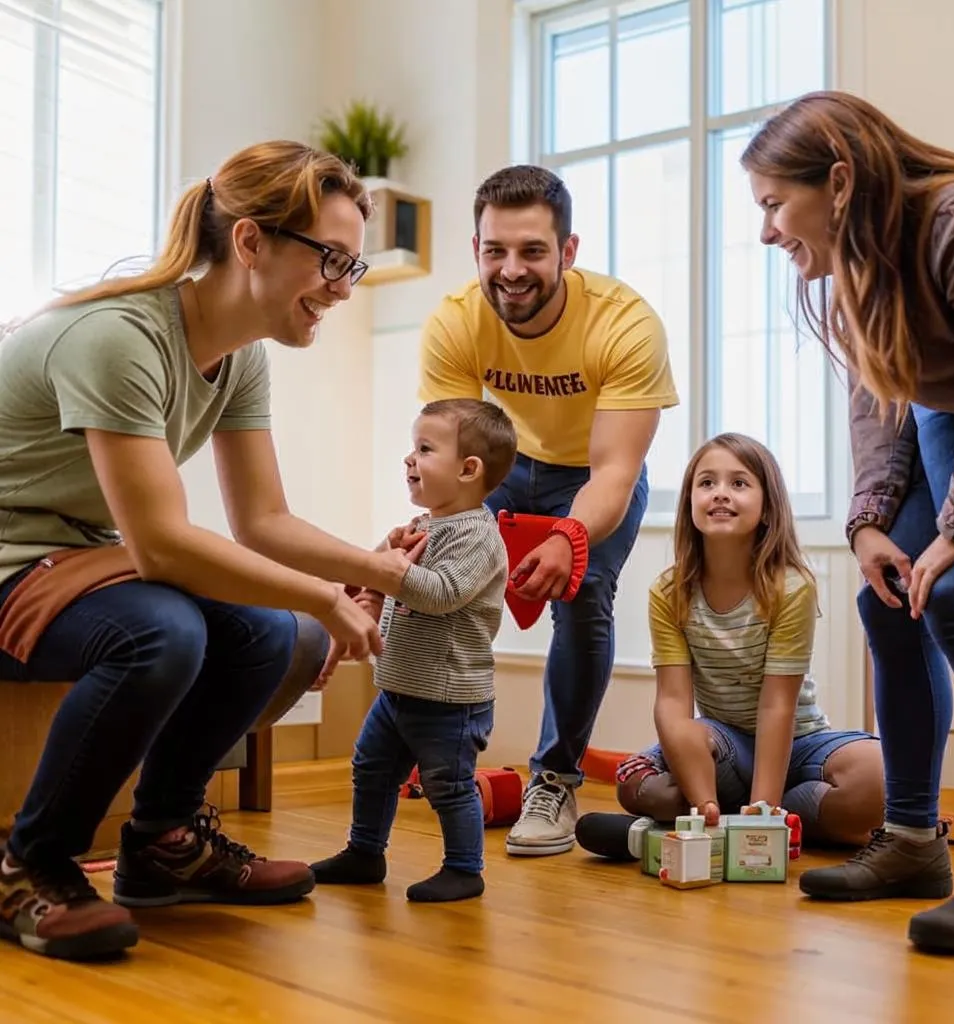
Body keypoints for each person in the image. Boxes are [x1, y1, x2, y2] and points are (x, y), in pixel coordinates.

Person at [0, 140, 424, 962]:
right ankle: (30, 864)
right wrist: (319, 594)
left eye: (354, 267)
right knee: (163, 632)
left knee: (276, 633)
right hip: (11, 557)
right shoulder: (120, 337)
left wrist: (379, 574)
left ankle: (163, 841)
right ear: (251, 242)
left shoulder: (240, 361)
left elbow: (263, 519)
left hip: (72, 554)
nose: (340, 287)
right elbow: (161, 545)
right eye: (331, 259)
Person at [741, 89, 954, 956]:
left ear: (837, 182)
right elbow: (880, 396)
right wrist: (869, 522)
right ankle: (912, 843)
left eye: (772, 206)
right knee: (891, 599)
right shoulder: (859, 260)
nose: (765, 232)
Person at [417, 165, 679, 857]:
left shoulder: (625, 324)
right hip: (500, 464)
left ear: (568, 251)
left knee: (585, 594)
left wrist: (568, 534)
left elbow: (616, 469)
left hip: (589, 471)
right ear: (475, 249)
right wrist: (432, 536)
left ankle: (555, 779)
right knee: (440, 580)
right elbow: (451, 455)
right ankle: (434, 755)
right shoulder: (455, 320)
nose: (511, 270)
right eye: (494, 251)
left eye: (532, 251)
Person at [614, 433, 884, 847]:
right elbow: (672, 703)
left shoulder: (791, 587)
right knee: (641, 790)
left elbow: (778, 705)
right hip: (723, 745)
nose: (720, 493)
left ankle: (763, 811)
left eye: (738, 483)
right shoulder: (668, 593)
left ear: (767, 507)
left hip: (801, 743)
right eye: (707, 483)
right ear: (690, 502)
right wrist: (702, 799)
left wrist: (762, 816)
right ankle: (715, 813)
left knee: (880, 778)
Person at [311, 398, 517, 902]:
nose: (409, 459)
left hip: (449, 695)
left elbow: (442, 592)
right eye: (412, 447)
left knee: (448, 784)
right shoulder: (424, 525)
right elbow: (377, 567)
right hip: (399, 686)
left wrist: (395, 569)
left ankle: (465, 868)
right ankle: (364, 851)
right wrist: (389, 548)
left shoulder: (479, 537)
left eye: (424, 449)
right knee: (372, 768)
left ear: (469, 470)